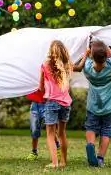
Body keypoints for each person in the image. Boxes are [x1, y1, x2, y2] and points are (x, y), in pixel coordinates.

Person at [73, 21, 111, 167]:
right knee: (106, 132)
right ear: (106, 55)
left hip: (93, 106)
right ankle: (100, 158)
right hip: (110, 108)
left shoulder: (87, 68)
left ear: (91, 55)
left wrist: (87, 52)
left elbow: (79, 64)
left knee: (91, 127)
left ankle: (90, 144)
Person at [39, 40, 73, 169]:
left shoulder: (45, 65)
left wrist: (47, 88)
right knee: (62, 133)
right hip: (66, 103)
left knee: (50, 134)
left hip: (52, 102)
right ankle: (63, 161)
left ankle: (54, 163)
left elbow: (41, 87)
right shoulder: (67, 65)